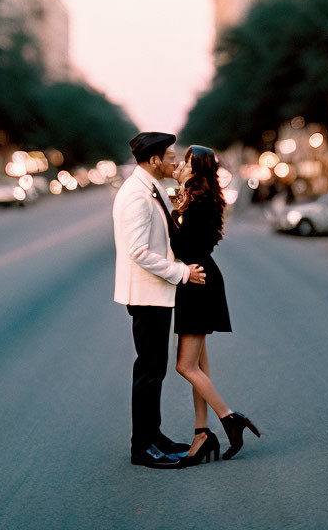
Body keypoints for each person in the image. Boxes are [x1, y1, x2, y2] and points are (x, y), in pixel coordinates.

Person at [112, 132, 207, 469]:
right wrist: (182, 273)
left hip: (155, 293)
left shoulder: (149, 188)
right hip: (147, 294)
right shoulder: (137, 195)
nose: (175, 162)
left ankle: (155, 436)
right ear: (154, 160)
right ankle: (143, 447)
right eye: (170, 157)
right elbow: (138, 252)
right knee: (149, 372)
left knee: (155, 369)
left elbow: (166, 232)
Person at [170, 145, 260, 467]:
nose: (181, 165)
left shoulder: (201, 202)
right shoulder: (197, 199)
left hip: (199, 282)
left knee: (185, 366)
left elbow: (183, 246)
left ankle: (229, 418)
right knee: (199, 367)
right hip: (196, 281)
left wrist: (173, 211)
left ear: (200, 169)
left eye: (187, 162)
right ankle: (201, 433)